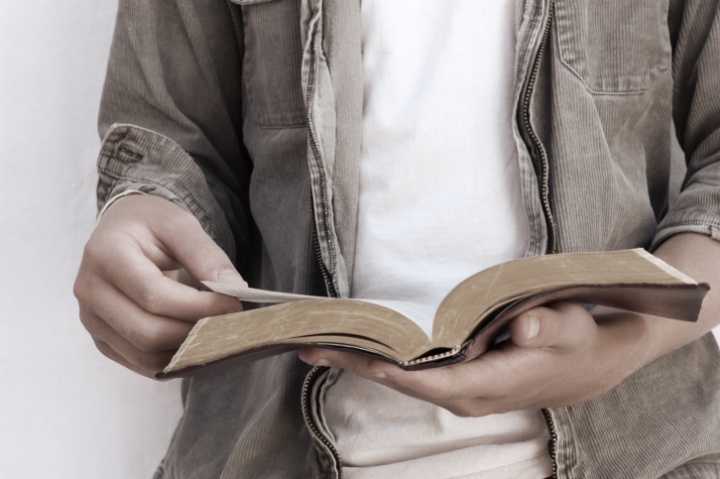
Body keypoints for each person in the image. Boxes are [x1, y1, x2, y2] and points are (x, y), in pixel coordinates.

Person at [74, 0, 720, 477]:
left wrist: (628, 339)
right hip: (264, 456)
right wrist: (139, 211)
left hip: (645, 453)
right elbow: (173, 137)